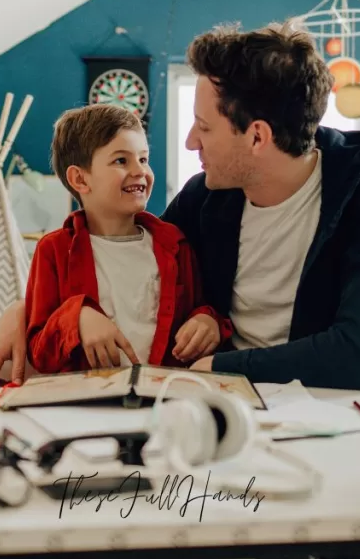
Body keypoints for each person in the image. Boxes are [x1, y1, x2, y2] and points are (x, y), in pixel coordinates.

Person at [0, 20, 360, 559]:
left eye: (203, 127)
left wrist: (219, 363)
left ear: (257, 136)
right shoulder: (207, 199)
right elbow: (131, 264)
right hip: (224, 441)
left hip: (345, 437)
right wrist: (22, 308)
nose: (189, 143)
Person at [25, 103, 233, 373]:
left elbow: (198, 308)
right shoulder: (53, 251)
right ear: (80, 179)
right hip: (85, 405)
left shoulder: (175, 245)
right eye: (121, 160)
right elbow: (39, 353)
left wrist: (208, 321)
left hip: (163, 398)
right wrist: (77, 317)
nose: (140, 171)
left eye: (144, 159)